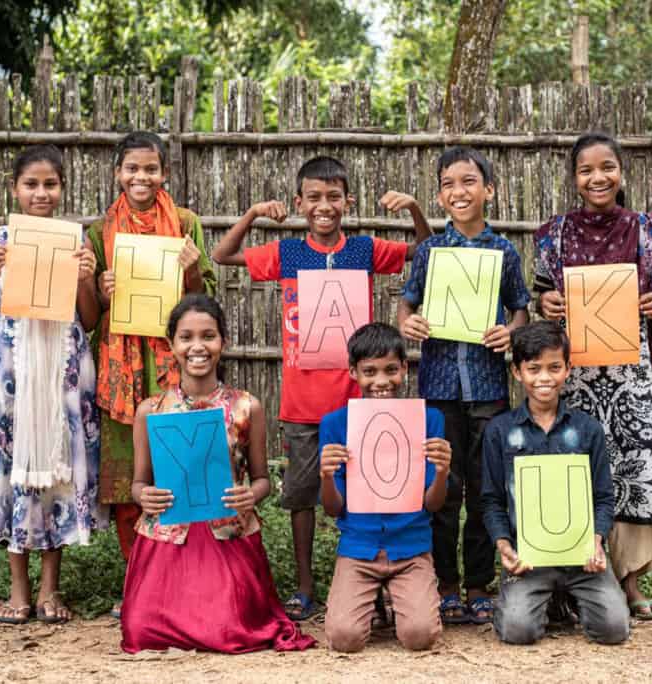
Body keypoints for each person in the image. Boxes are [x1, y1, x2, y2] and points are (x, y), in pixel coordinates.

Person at [211, 156, 431, 620]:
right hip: (303, 403)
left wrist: (413, 208)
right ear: (299, 203)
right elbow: (222, 255)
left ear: (349, 201)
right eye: (313, 197)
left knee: (373, 488)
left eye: (334, 197)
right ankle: (307, 585)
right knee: (302, 495)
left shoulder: (366, 249)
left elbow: (426, 250)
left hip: (362, 400)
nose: (324, 206)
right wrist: (252, 214)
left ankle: (370, 576)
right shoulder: (287, 253)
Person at [533, 131, 652, 620]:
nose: (598, 178)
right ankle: (579, 582)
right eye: (586, 170)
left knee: (633, 466)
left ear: (621, 172)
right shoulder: (552, 234)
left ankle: (632, 583)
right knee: (575, 466)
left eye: (607, 168)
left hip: (629, 371)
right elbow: (540, 296)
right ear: (574, 179)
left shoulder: (646, 230)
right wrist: (546, 303)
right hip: (572, 372)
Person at [0, 145, 108, 624]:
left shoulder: (76, 240)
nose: (41, 193)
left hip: (64, 370)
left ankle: (50, 591)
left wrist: (86, 278)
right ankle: (18, 590)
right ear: (15, 189)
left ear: (62, 188)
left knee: (57, 471)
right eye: (31, 184)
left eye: (51, 184)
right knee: (11, 468)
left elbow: (88, 319)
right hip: (11, 372)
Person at [120, 294, 315, 654]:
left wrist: (251, 495)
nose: (198, 346)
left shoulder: (246, 407)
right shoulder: (151, 410)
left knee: (228, 630)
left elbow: (262, 480)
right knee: (139, 632)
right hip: (167, 541)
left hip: (226, 537)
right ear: (171, 344)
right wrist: (142, 496)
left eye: (208, 336)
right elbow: (138, 483)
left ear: (222, 342)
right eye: (186, 337)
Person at [397, 146, 531, 624]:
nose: (460, 191)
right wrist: (408, 324)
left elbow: (520, 309)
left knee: (484, 486)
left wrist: (510, 331)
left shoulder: (504, 252)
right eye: (449, 183)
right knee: (441, 487)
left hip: (488, 388)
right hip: (437, 387)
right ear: (439, 194)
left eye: (470, 181)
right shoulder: (430, 251)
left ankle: (479, 584)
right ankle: (445, 583)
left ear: (489, 190)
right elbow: (406, 306)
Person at [89, 131, 217, 617]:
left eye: (150, 169)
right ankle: (141, 580)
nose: (140, 178)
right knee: (130, 484)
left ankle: (186, 578)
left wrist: (189, 269)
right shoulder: (100, 232)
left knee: (181, 470)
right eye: (131, 169)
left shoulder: (185, 225)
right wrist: (100, 289)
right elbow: (91, 312)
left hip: (173, 367)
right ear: (118, 173)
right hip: (123, 374)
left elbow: (204, 301)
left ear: (165, 173)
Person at [481, 322, 630, 645]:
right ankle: (543, 601)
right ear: (518, 372)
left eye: (554, 367)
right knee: (517, 631)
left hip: (582, 557)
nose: (544, 378)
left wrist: (596, 540)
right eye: (533, 369)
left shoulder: (587, 430)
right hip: (529, 558)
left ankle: (570, 598)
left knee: (614, 629)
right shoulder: (500, 431)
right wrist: (504, 547)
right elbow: (491, 500)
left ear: (568, 369)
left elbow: (603, 497)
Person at [318, 323, 451, 652]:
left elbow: (433, 504)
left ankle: (400, 596)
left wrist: (443, 472)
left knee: (420, 636)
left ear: (405, 369)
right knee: (343, 638)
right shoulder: (335, 424)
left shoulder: (428, 419)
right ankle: (372, 597)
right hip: (359, 548)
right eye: (369, 371)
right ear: (353, 372)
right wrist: (325, 475)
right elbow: (334, 508)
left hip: (411, 546)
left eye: (391, 369)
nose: (381, 381)